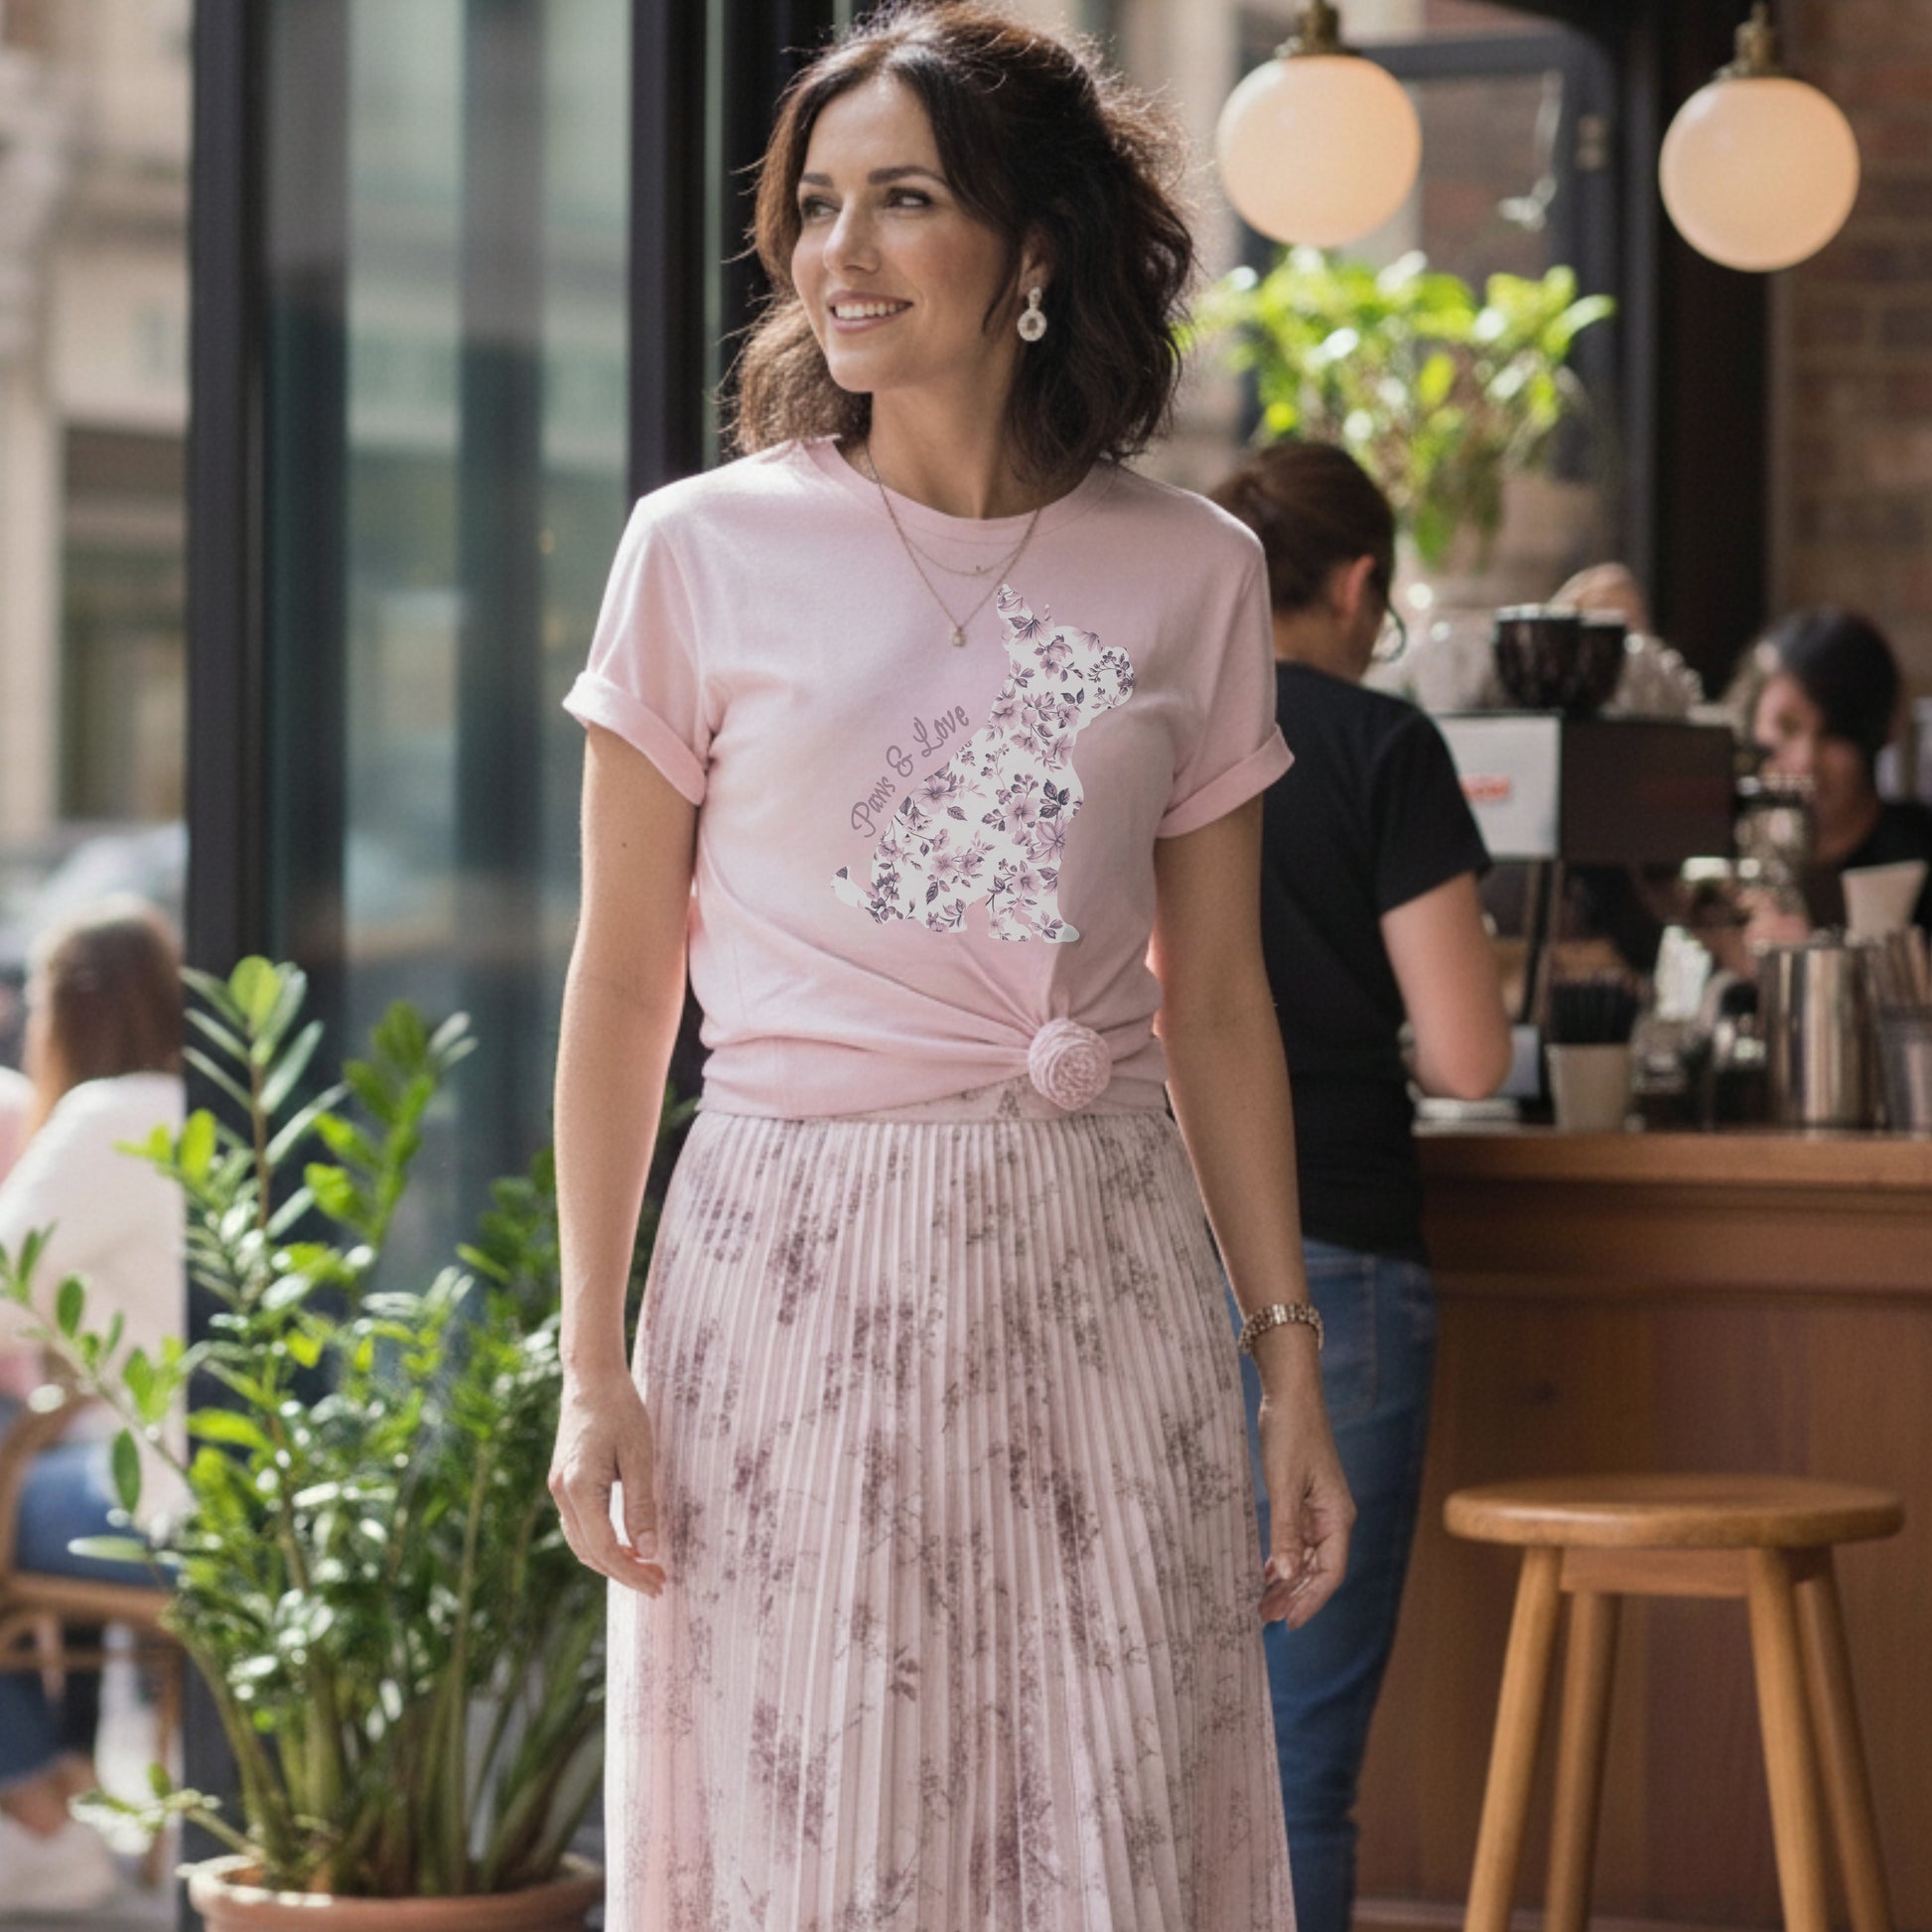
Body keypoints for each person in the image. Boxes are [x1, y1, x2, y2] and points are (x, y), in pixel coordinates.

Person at [545, 9, 1353, 1927]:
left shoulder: (1194, 570)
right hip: (791, 1271)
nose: (840, 249)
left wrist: (1288, 1357)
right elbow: (621, 982)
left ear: (1034, 246)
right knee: (825, 1838)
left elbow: (1215, 999)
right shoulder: (697, 551)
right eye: (816, 204)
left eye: (901, 198)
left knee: (1111, 1826)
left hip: (1105, 1274)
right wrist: (591, 1361)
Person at [1210, 440, 1513, 1932]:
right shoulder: (1382, 746)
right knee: (1294, 1764)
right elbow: (1467, 1052)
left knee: (1146, 1742)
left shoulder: (1157, 717)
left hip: (1149, 1252)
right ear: (1354, 585)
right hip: (1335, 1266)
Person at [0, 901, 186, 1918]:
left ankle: (34, 1810)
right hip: (205, 1473)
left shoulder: (105, 1117)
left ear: (65, 1011)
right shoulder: (196, 1102)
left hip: (160, 1493)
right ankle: (54, 1785)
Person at [1728, 609, 1932, 936]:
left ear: (1878, 732)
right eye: (1787, 727)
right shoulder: (1722, 850)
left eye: (1834, 733)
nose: (1806, 761)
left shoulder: (1919, 854)